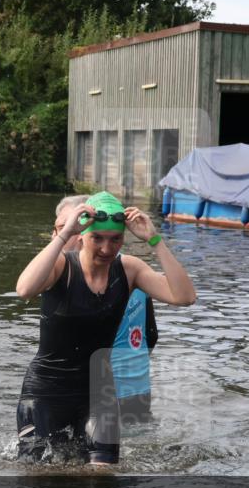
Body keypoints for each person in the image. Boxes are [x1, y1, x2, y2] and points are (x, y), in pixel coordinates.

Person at [15, 191, 194, 465]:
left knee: (102, 478)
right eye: (97, 238)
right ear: (83, 236)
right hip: (47, 392)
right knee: (41, 476)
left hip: (100, 391)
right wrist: (64, 236)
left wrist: (155, 240)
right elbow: (25, 289)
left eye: (115, 239)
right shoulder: (62, 266)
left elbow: (184, 297)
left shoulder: (129, 269)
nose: (107, 249)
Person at [51, 196, 159, 425]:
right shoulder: (134, 271)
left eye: (66, 227)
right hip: (135, 390)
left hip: (101, 396)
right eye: (59, 228)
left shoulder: (103, 277)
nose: (58, 236)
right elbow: (151, 335)